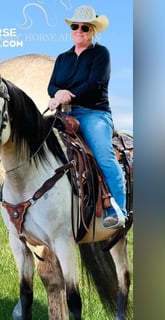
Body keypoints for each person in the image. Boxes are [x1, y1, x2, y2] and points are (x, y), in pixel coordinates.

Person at [47, 5, 127, 229]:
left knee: (103, 156)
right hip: (65, 115)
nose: (79, 31)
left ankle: (118, 210)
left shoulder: (101, 54)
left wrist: (66, 95)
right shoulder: (62, 58)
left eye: (85, 27)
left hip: (94, 114)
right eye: (75, 26)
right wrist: (56, 94)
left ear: (93, 31)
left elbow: (95, 83)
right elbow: (52, 85)